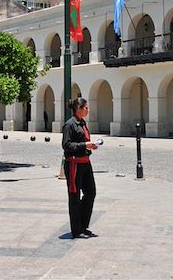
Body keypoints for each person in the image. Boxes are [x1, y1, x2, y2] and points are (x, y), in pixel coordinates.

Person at [61, 97, 98, 239]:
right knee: (74, 197)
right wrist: (85, 145)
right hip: (74, 164)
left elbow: (83, 141)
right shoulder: (69, 125)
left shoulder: (82, 123)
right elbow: (67, 145)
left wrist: (90, 146)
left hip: (85, 162)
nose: (88, 110)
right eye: (86, 107)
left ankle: (83, 225)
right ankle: (76, 230)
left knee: (91, 192)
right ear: (78, 109)